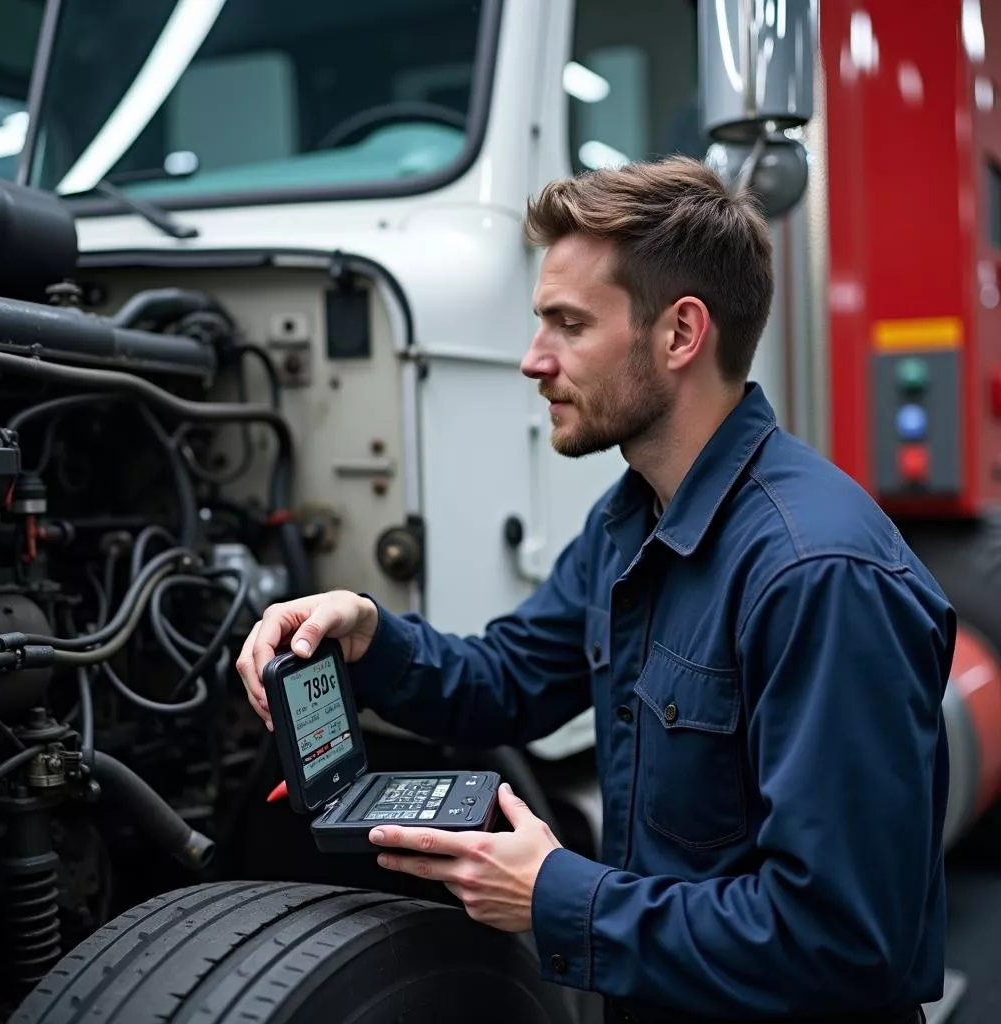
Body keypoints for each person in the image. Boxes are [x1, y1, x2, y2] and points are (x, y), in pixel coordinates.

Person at [236, 156, 954, 1024]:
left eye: (568, 325)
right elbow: (507, 679)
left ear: (680, 335)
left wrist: (555, 895)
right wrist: (367, 632)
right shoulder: (633, 521)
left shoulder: (816, 575)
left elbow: (841, 940)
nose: (534, 361)